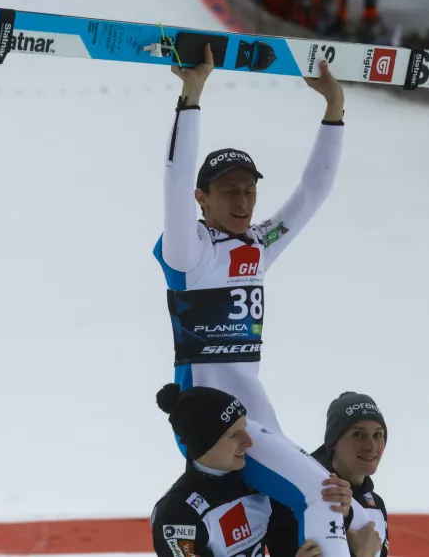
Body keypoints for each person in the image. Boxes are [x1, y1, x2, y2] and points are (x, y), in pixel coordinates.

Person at [152, 44, 380, 557]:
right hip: (218, 427)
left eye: (249, 191)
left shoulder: (257, 249)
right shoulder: (189, 255)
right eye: (228, 190)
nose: (242, 201)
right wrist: (191, 95)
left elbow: (311, 194)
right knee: (324, 498)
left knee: (352, 511)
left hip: (257, 421)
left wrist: (334, 108)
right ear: (201, 196)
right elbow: (173, 181)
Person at [149, 383, 375, 557]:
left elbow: (290, 531)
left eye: (245, 429)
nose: (249, 442)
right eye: (233, 435)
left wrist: (342, 511)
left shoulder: (256, 478)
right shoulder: (177, 514)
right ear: (205, 444)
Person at [266, 392, 390, 557]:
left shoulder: (375, 504)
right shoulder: (296, 496)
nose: (371, 446)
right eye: (358, 435)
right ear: (333, 442)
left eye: (378, 435)